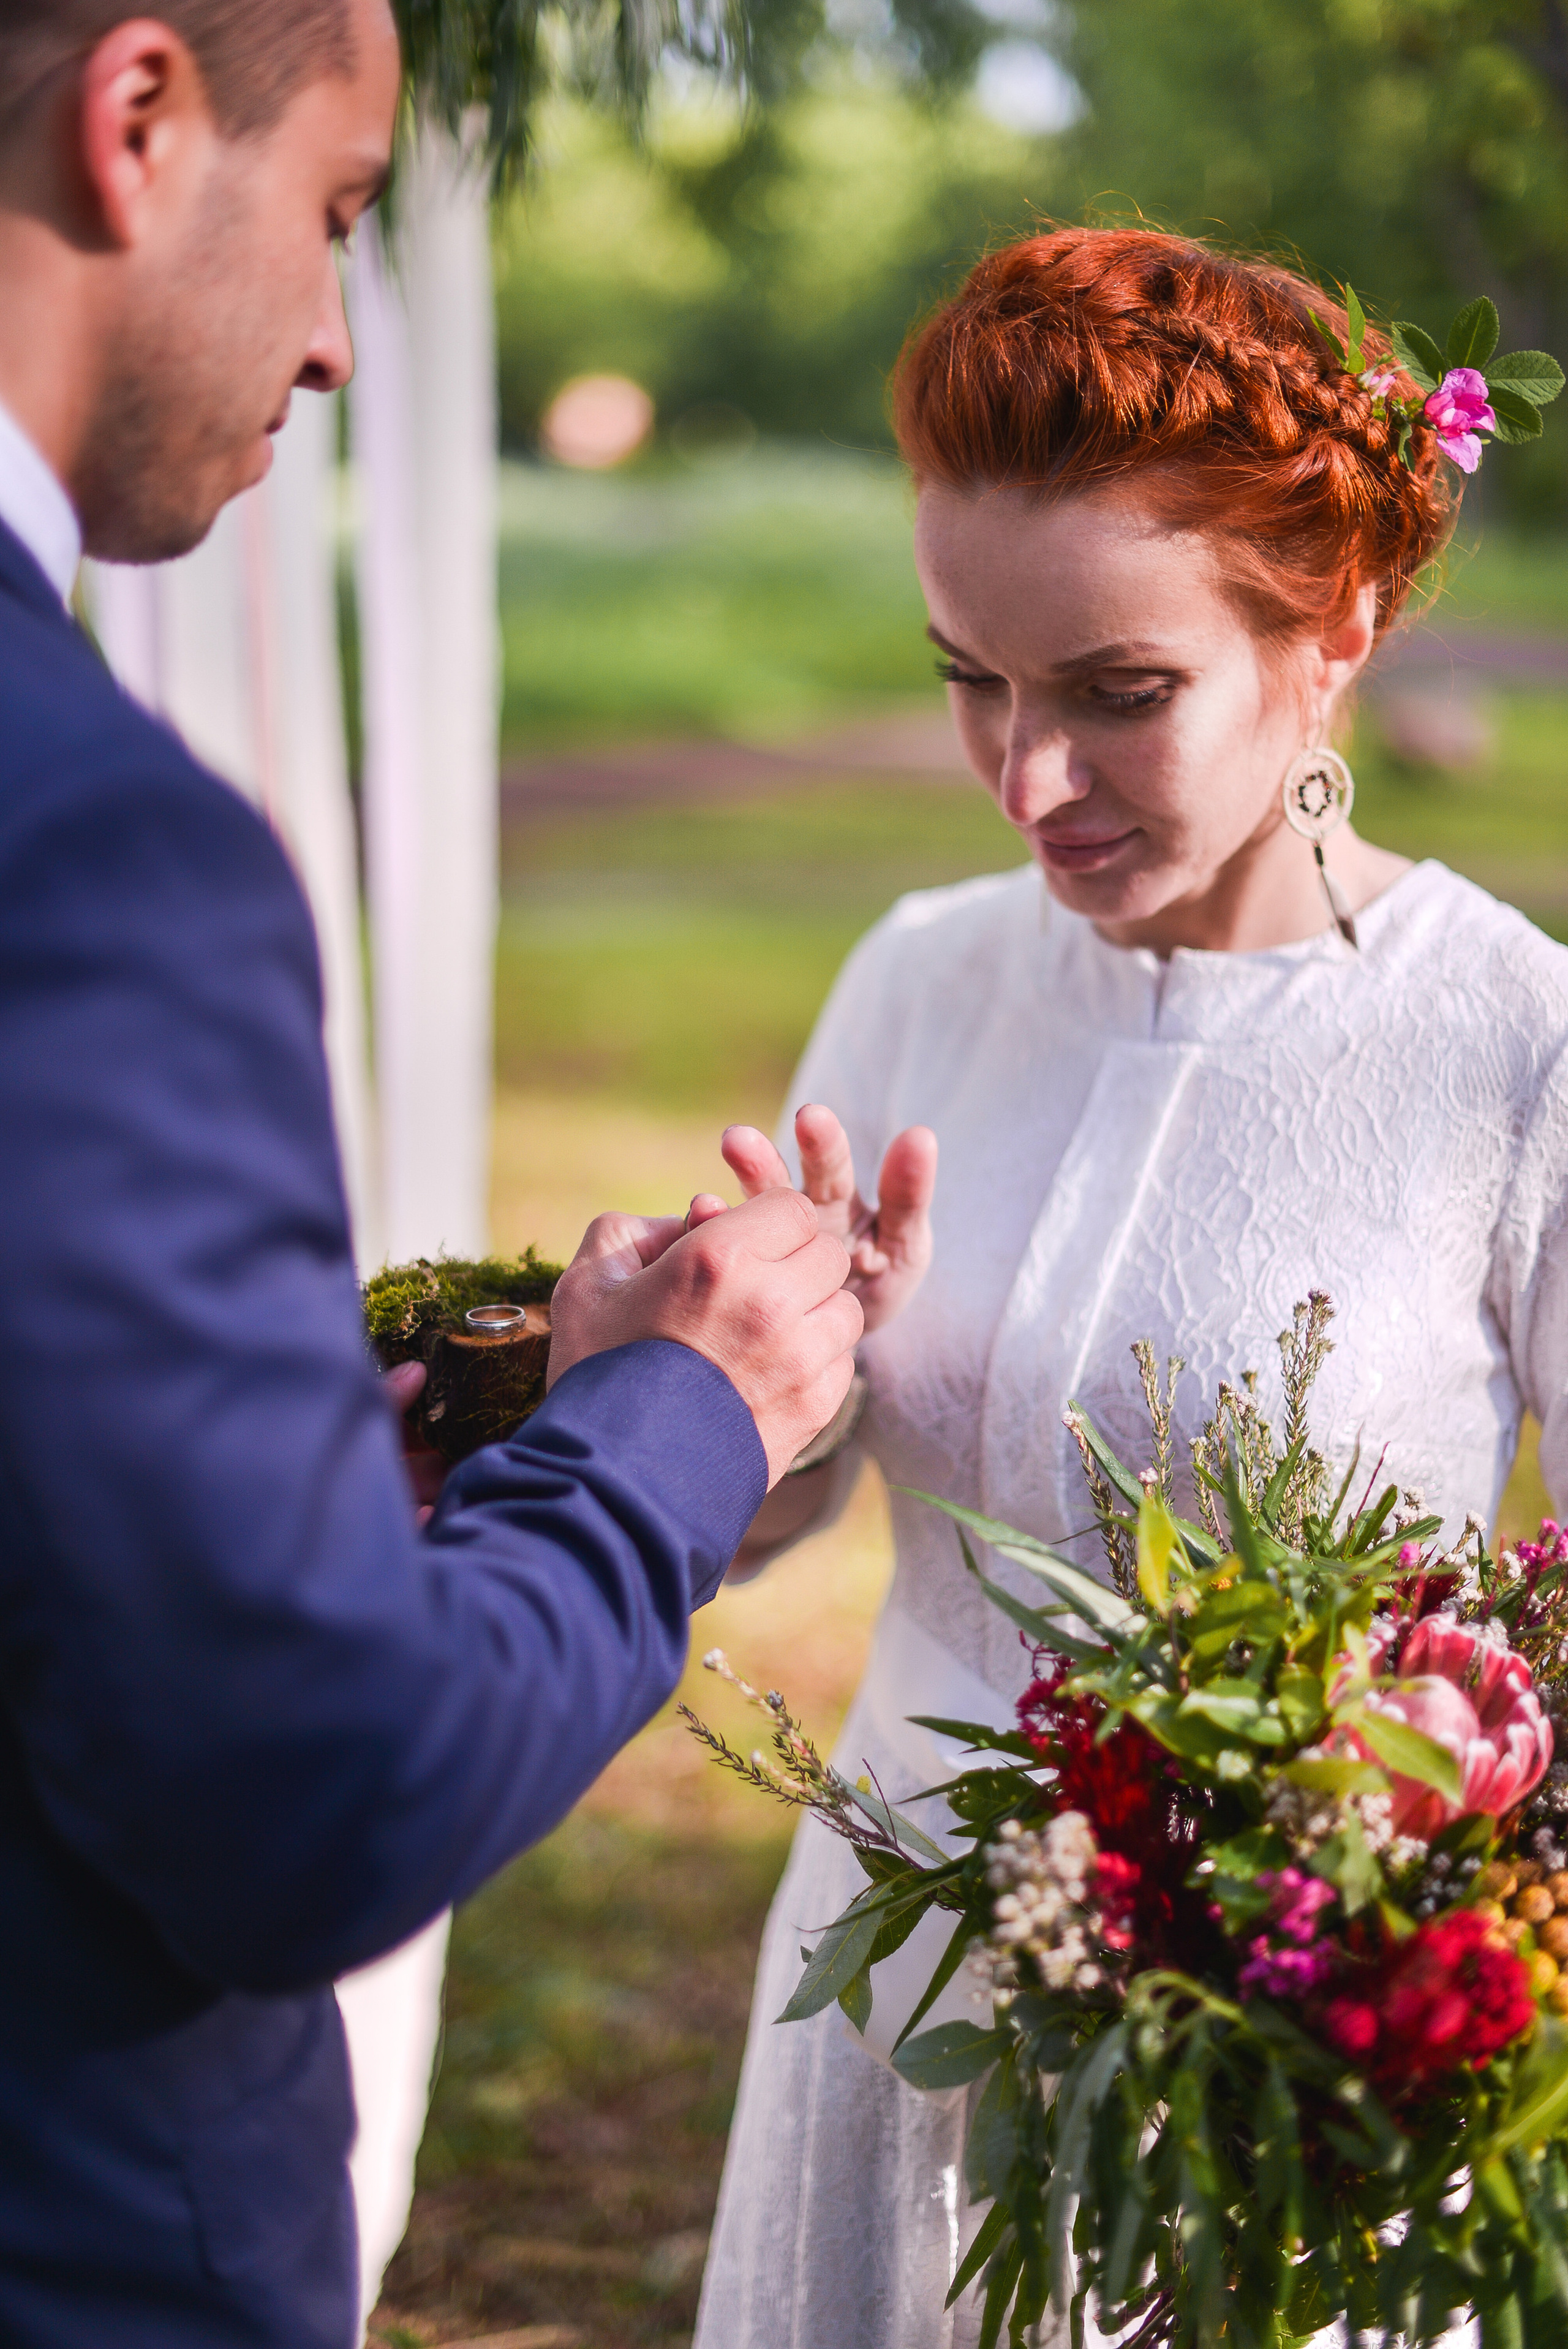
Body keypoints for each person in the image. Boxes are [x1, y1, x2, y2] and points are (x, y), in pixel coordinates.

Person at [0, 6, 874, 2345]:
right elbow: (310, 1804)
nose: (334, 343)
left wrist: (284, 1500)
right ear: (141, 116)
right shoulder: (89, 853)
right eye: (339, 217)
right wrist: (676, 1413)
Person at [693, 226, 1568, 2349]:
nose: (1030, 777)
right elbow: (790, 1519)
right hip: (889, 1972)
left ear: (1336, 630)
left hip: (1280, 2058)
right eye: (970, 676)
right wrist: (766, 1396)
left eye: (1120, 691)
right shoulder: (920, 971)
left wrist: (1431, 1804)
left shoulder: (1516, 1047)